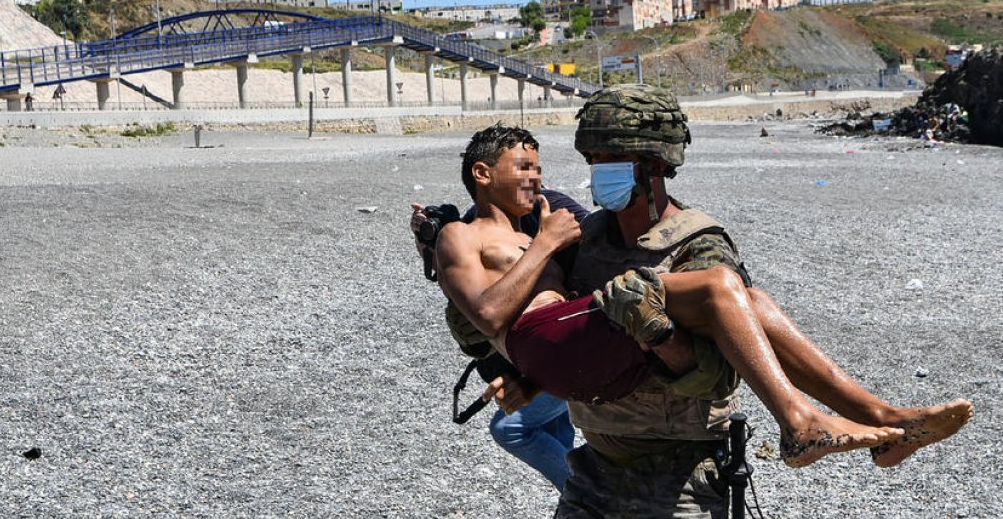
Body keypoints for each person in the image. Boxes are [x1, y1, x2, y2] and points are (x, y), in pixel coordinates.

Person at [437, 123, 967, 472]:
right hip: (545, 341)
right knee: (716, 285)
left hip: (567, 348)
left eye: (538, 168)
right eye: (522, 168)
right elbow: (486, 314)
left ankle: (882, 421)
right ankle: (799, 423)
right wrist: (548, 243)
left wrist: (530, 376)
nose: (536, 179)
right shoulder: (461, 236)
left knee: (748, 300)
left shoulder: (533, 233)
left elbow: (562, 293)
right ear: (483, 175)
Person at [410, 190, 587, 492]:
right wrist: (427, 243)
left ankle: (586, 496)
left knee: (510, 428)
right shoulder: (473, 226)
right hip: (526, 362)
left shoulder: (555, 209)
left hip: (570, 353)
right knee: (557, 436)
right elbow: (457, 289)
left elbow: (597, 260)